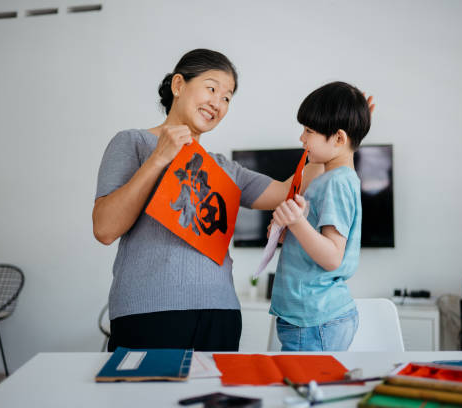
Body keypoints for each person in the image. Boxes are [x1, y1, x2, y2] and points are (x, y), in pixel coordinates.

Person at [92, 49, 322, 352]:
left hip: (221, 313)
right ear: (178, 85)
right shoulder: (133, 142)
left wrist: (344, 133)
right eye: (212, 88)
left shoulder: (225, 168)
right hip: (149, 313)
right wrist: (160, 157)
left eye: (227, 97)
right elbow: (105, 229)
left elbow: (288, 189)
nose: (218, 103)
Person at [269, 81, 372, 351]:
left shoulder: (336, 182)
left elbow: (332, 257)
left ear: (339, 138)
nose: (302, 139)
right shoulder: (329, 178)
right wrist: (288, 231)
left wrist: (297, 222)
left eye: (309, 131)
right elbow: (313, 242)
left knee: (305, 391)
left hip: (314, 320)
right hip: (310, 317)